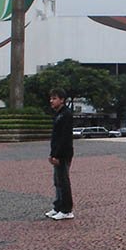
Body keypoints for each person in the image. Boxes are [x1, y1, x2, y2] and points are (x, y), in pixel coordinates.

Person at [46, 88, 75, 220]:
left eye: (54, 98)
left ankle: (67, 209)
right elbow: (55, 138)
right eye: (51, 98)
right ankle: (58, 206)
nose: (51, 101)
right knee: (57, 181)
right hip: (57, 153)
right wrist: (52, 154)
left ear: (62, 100)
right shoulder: (58, 114)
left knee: (63, 181)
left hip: (63, 153)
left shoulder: (66, 115)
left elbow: (64, 138)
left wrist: (57, 155)